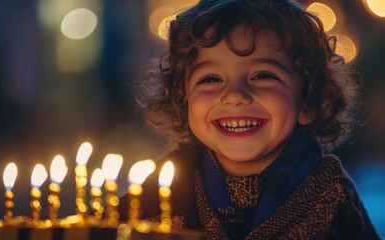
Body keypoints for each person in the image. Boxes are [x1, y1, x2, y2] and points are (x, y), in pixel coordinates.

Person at [119, 0, 380, 239]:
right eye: (210, 79)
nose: (234, 96)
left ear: (307, 102)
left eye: (263, 75)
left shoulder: (331, 196)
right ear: (182, 100)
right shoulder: (154, 198)